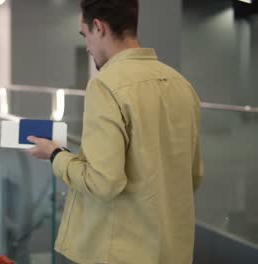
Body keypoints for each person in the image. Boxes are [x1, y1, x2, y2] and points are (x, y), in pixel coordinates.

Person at [27, 0, 203, 263]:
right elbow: (194, 176)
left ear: (98, 27)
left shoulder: (106, 86)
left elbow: (103, 182)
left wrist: (55, 155)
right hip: (174, 252)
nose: (87, 46)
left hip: (122, 253)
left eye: (84, 34)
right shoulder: (182, 85)